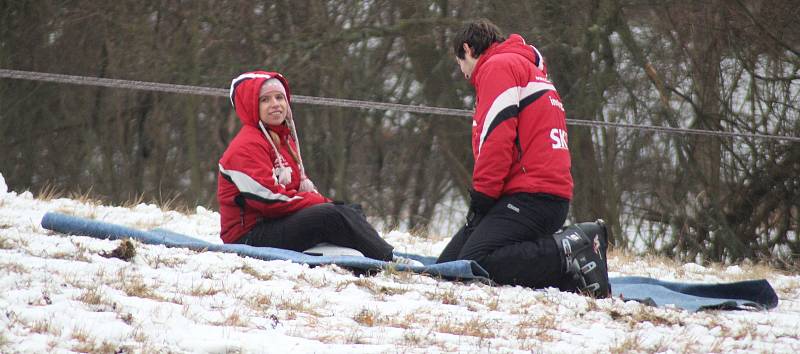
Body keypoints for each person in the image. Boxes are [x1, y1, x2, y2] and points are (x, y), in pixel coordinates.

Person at [436, 20, 610, 297]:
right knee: (447, 269)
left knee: (473, 263)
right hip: (536, 193)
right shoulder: (525, 69)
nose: (463, 72)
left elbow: (497, 138)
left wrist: (482, 196)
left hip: (532, 196)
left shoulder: (497, 68)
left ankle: (571, 250)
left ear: (468, 49)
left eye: (460, 63)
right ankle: (570, 275)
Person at [217, 70, 420, 266]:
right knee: (329, 215)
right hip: (250, 236)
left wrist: (327, 204)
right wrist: (320, 202)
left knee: (349, 211)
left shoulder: (282, 139)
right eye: (265, 100)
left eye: (280, 97)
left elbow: (296, 187)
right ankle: (387, 259)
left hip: (274, 223)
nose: (275, 105)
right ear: (251, 106)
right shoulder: (246, 146)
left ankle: (362, 255)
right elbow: (269, 200)